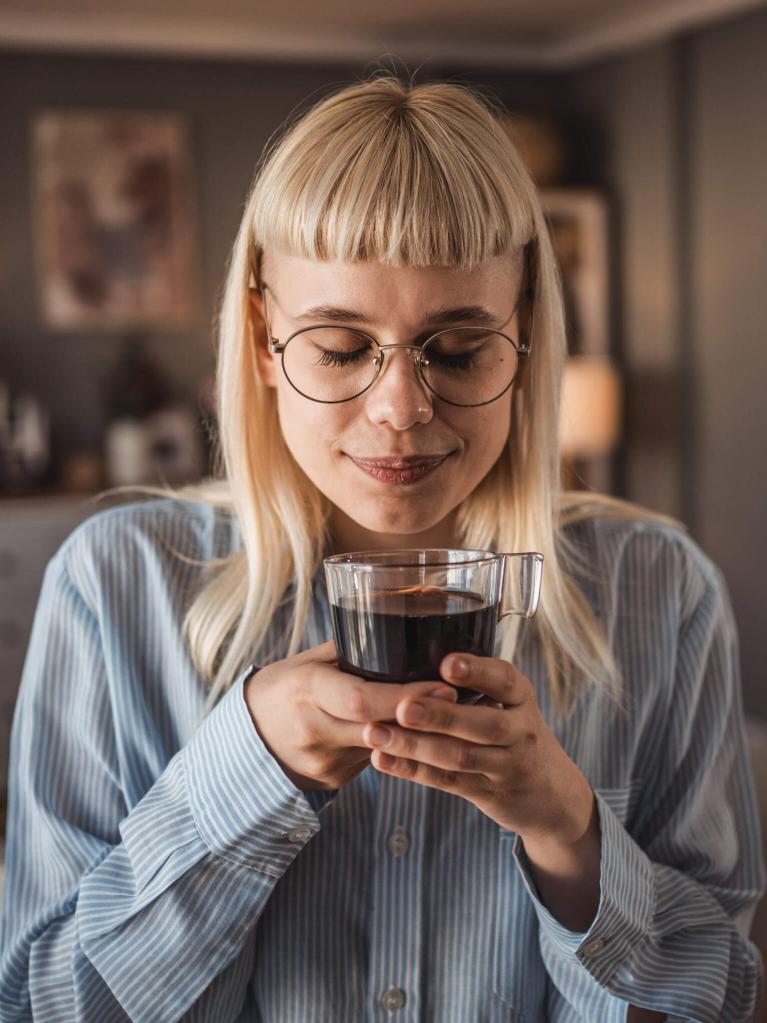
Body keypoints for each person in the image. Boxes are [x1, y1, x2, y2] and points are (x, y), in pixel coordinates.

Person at [0, 75, 763, 1022]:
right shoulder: (117, 582)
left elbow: (719, 998)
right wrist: (250, 772)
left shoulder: (658, 588)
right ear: (261, 338)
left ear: (523, 336)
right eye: (339, 345)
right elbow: (40, 1004)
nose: (401, 411)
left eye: (456, 349)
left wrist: (569, 833)